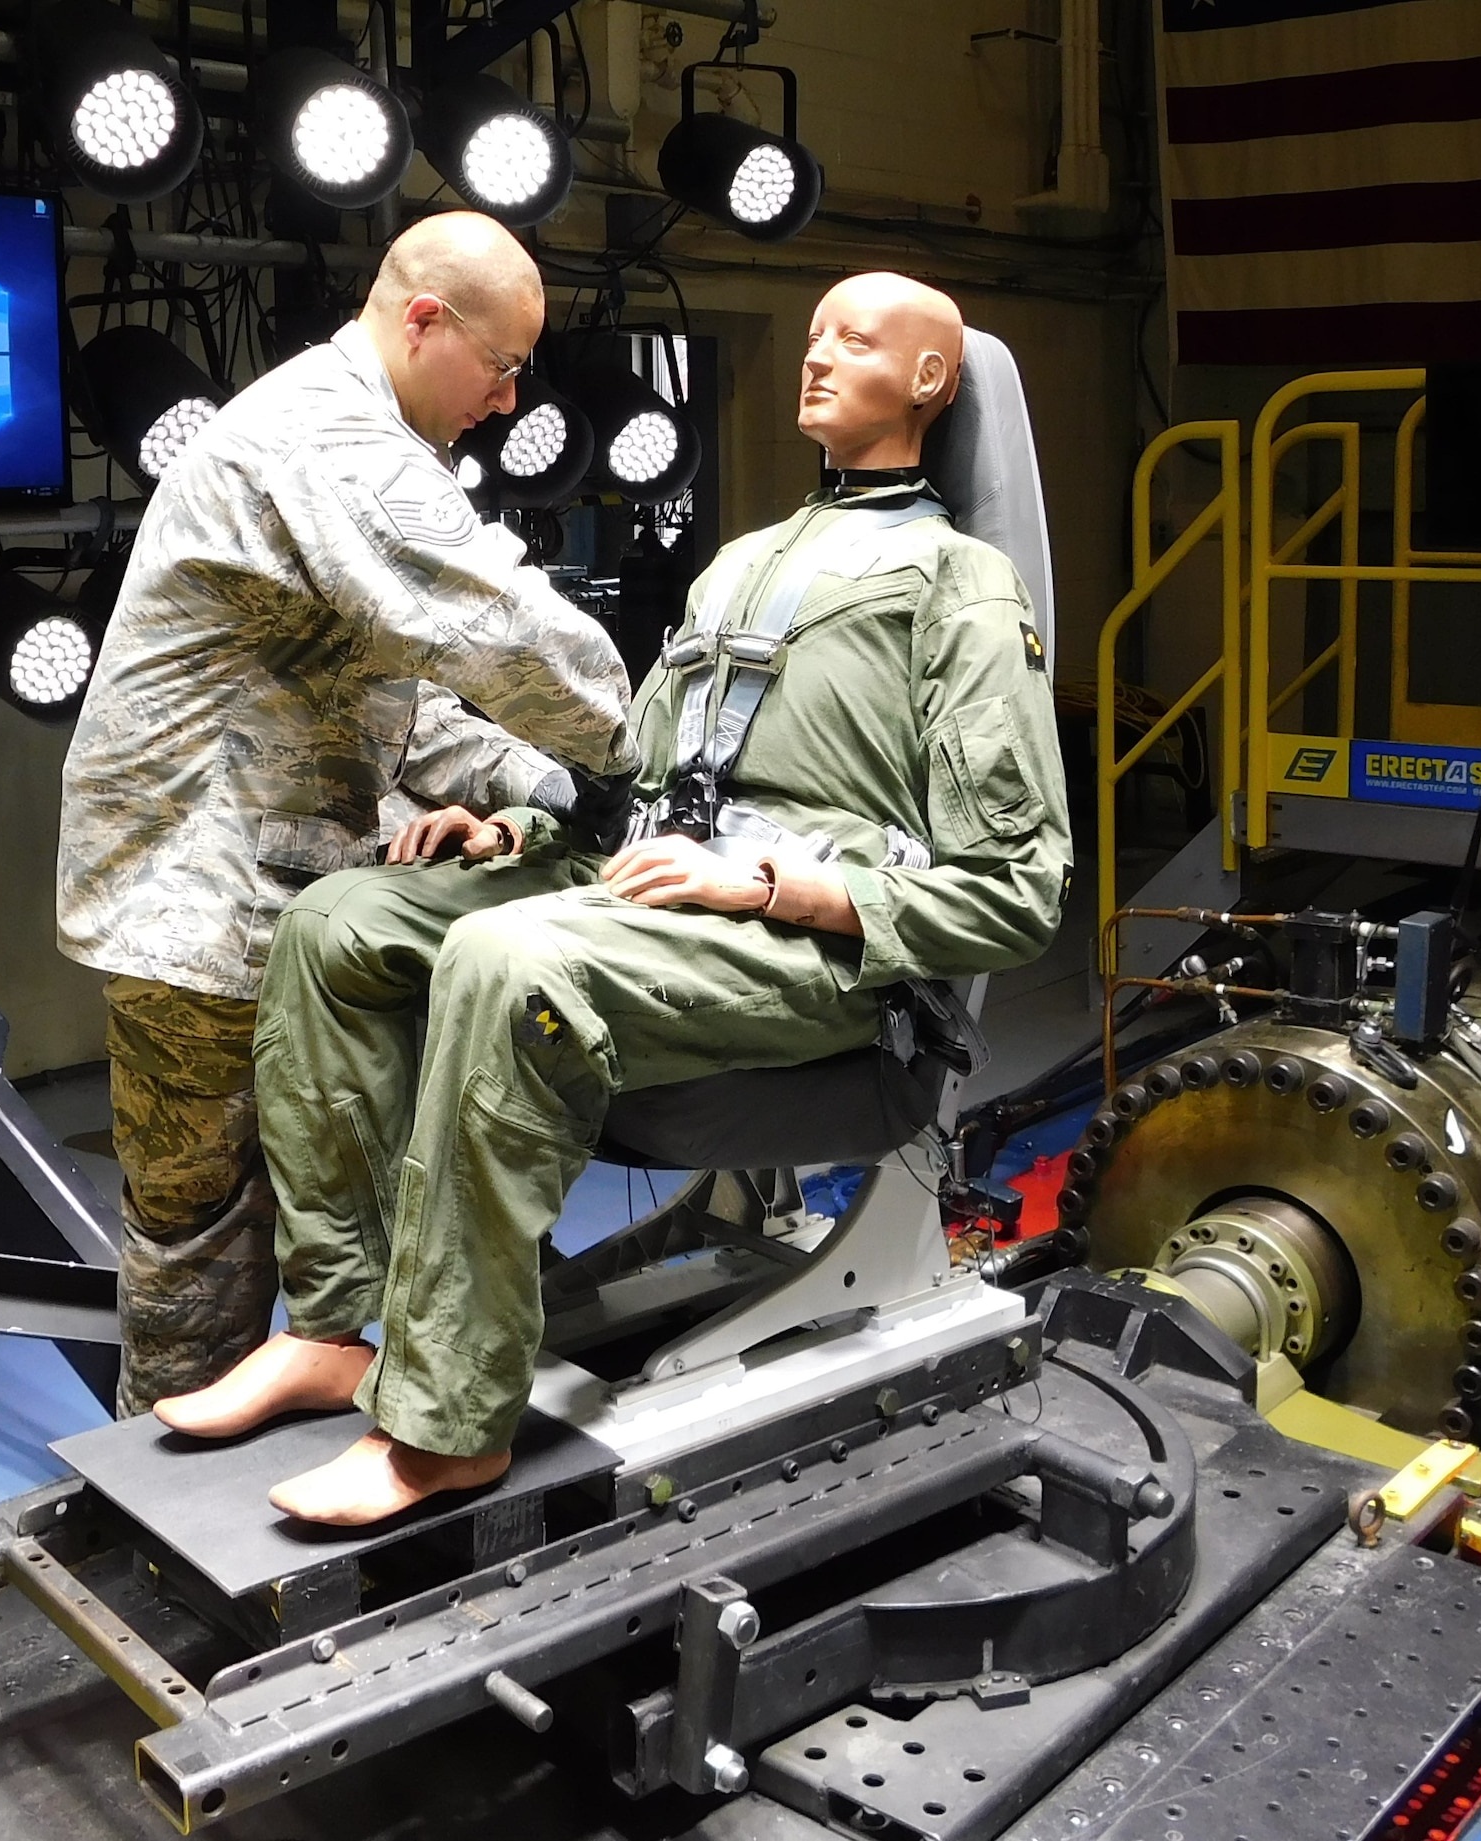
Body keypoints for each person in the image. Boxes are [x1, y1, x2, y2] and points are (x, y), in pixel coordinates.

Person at [155, 271, 1072, 1525]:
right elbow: (639, 781)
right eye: (809, 335)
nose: (812, 359)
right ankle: (329, 1327)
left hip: (819, 961)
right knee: (342, 924)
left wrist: (770, 882)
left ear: (927, 380)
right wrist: (518, 823)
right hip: (662, 896)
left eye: (851, 342)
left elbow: (1017, 889)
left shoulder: (958, 586)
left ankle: (443, 1426)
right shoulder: (738, 569)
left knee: (510, 956)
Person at [55, 212, 635, 1418]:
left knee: (283, 1214)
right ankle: (173, 1530)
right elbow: (496, 624)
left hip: (265, 895)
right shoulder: (328, 434)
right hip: (195, 905)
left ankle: (271, 1435)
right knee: (200, 1253)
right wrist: (649, 749)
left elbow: (411, 708)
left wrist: (554, 789)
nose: (509, 397)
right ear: (424, 320)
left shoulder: (348, 440)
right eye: (500, 363)